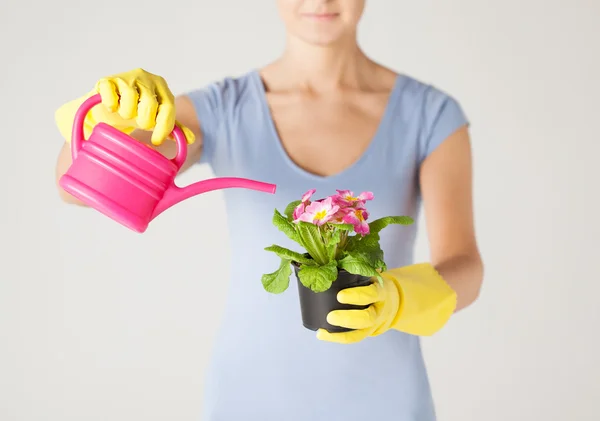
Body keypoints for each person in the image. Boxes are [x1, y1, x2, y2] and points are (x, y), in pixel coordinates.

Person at [54, 1, 484, 419]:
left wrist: (398, 298)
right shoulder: (222, 110)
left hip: (386, 401)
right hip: (248, 399)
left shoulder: (431, 115)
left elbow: (464, 267)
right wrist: (112, 116)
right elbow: (76, 187)